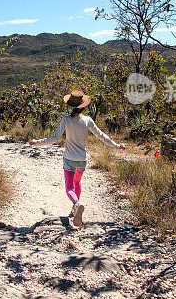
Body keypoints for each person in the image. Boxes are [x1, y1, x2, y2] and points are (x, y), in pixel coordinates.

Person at [28, 89, 125, 226]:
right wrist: (117, 145)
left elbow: (55, 138)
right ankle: (75, 209)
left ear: (70, 106)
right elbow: (101, 135)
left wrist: (36, 142)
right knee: (77, 183)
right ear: (83, 106)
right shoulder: (87, 120)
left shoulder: (66, 120)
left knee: (69, 187)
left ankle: (76, 204)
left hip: (69, 159)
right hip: (82, 160)